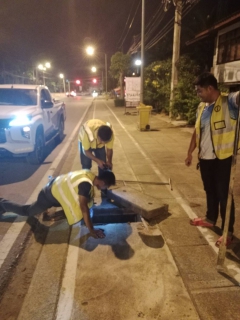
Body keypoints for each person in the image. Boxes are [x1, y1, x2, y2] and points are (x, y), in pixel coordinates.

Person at [185, 72, 239, 247]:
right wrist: (190, 152)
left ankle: (227, 231)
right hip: (206, 158)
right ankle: (210, 218)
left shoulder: (228, 102)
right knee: (210, 190)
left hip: (223, 158)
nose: (198, 94)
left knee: (224, 194)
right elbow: (196, 131)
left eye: (200, 91)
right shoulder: (202, 107)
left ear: (210, 88)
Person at [0, 169, 116, 239]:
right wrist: (92, 230)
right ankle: (3, 204)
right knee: (27, 211)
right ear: (103, 182)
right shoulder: (85, 185)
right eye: (107, 186)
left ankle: (46, 213)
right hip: (47, 196)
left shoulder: (89, 174)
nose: (105, 189)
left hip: (53, 189)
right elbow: (83, 207)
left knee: (79, 206)